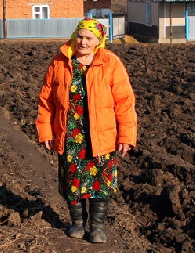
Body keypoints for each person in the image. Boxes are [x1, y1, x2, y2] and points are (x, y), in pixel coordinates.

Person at [35, 17, 137, 243]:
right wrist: (46, 132)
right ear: (74, 36)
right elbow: (46, 101)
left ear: (98, 41)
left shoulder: (110, 63)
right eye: (79, 36)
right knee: (72, 181)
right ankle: (77, 224)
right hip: (70, 134)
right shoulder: (59, 62)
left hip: (101, 136)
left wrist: (126, 136)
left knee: (99, 183)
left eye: (89, 38)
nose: (82, 41)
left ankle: (97, 227)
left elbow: (125, 103)